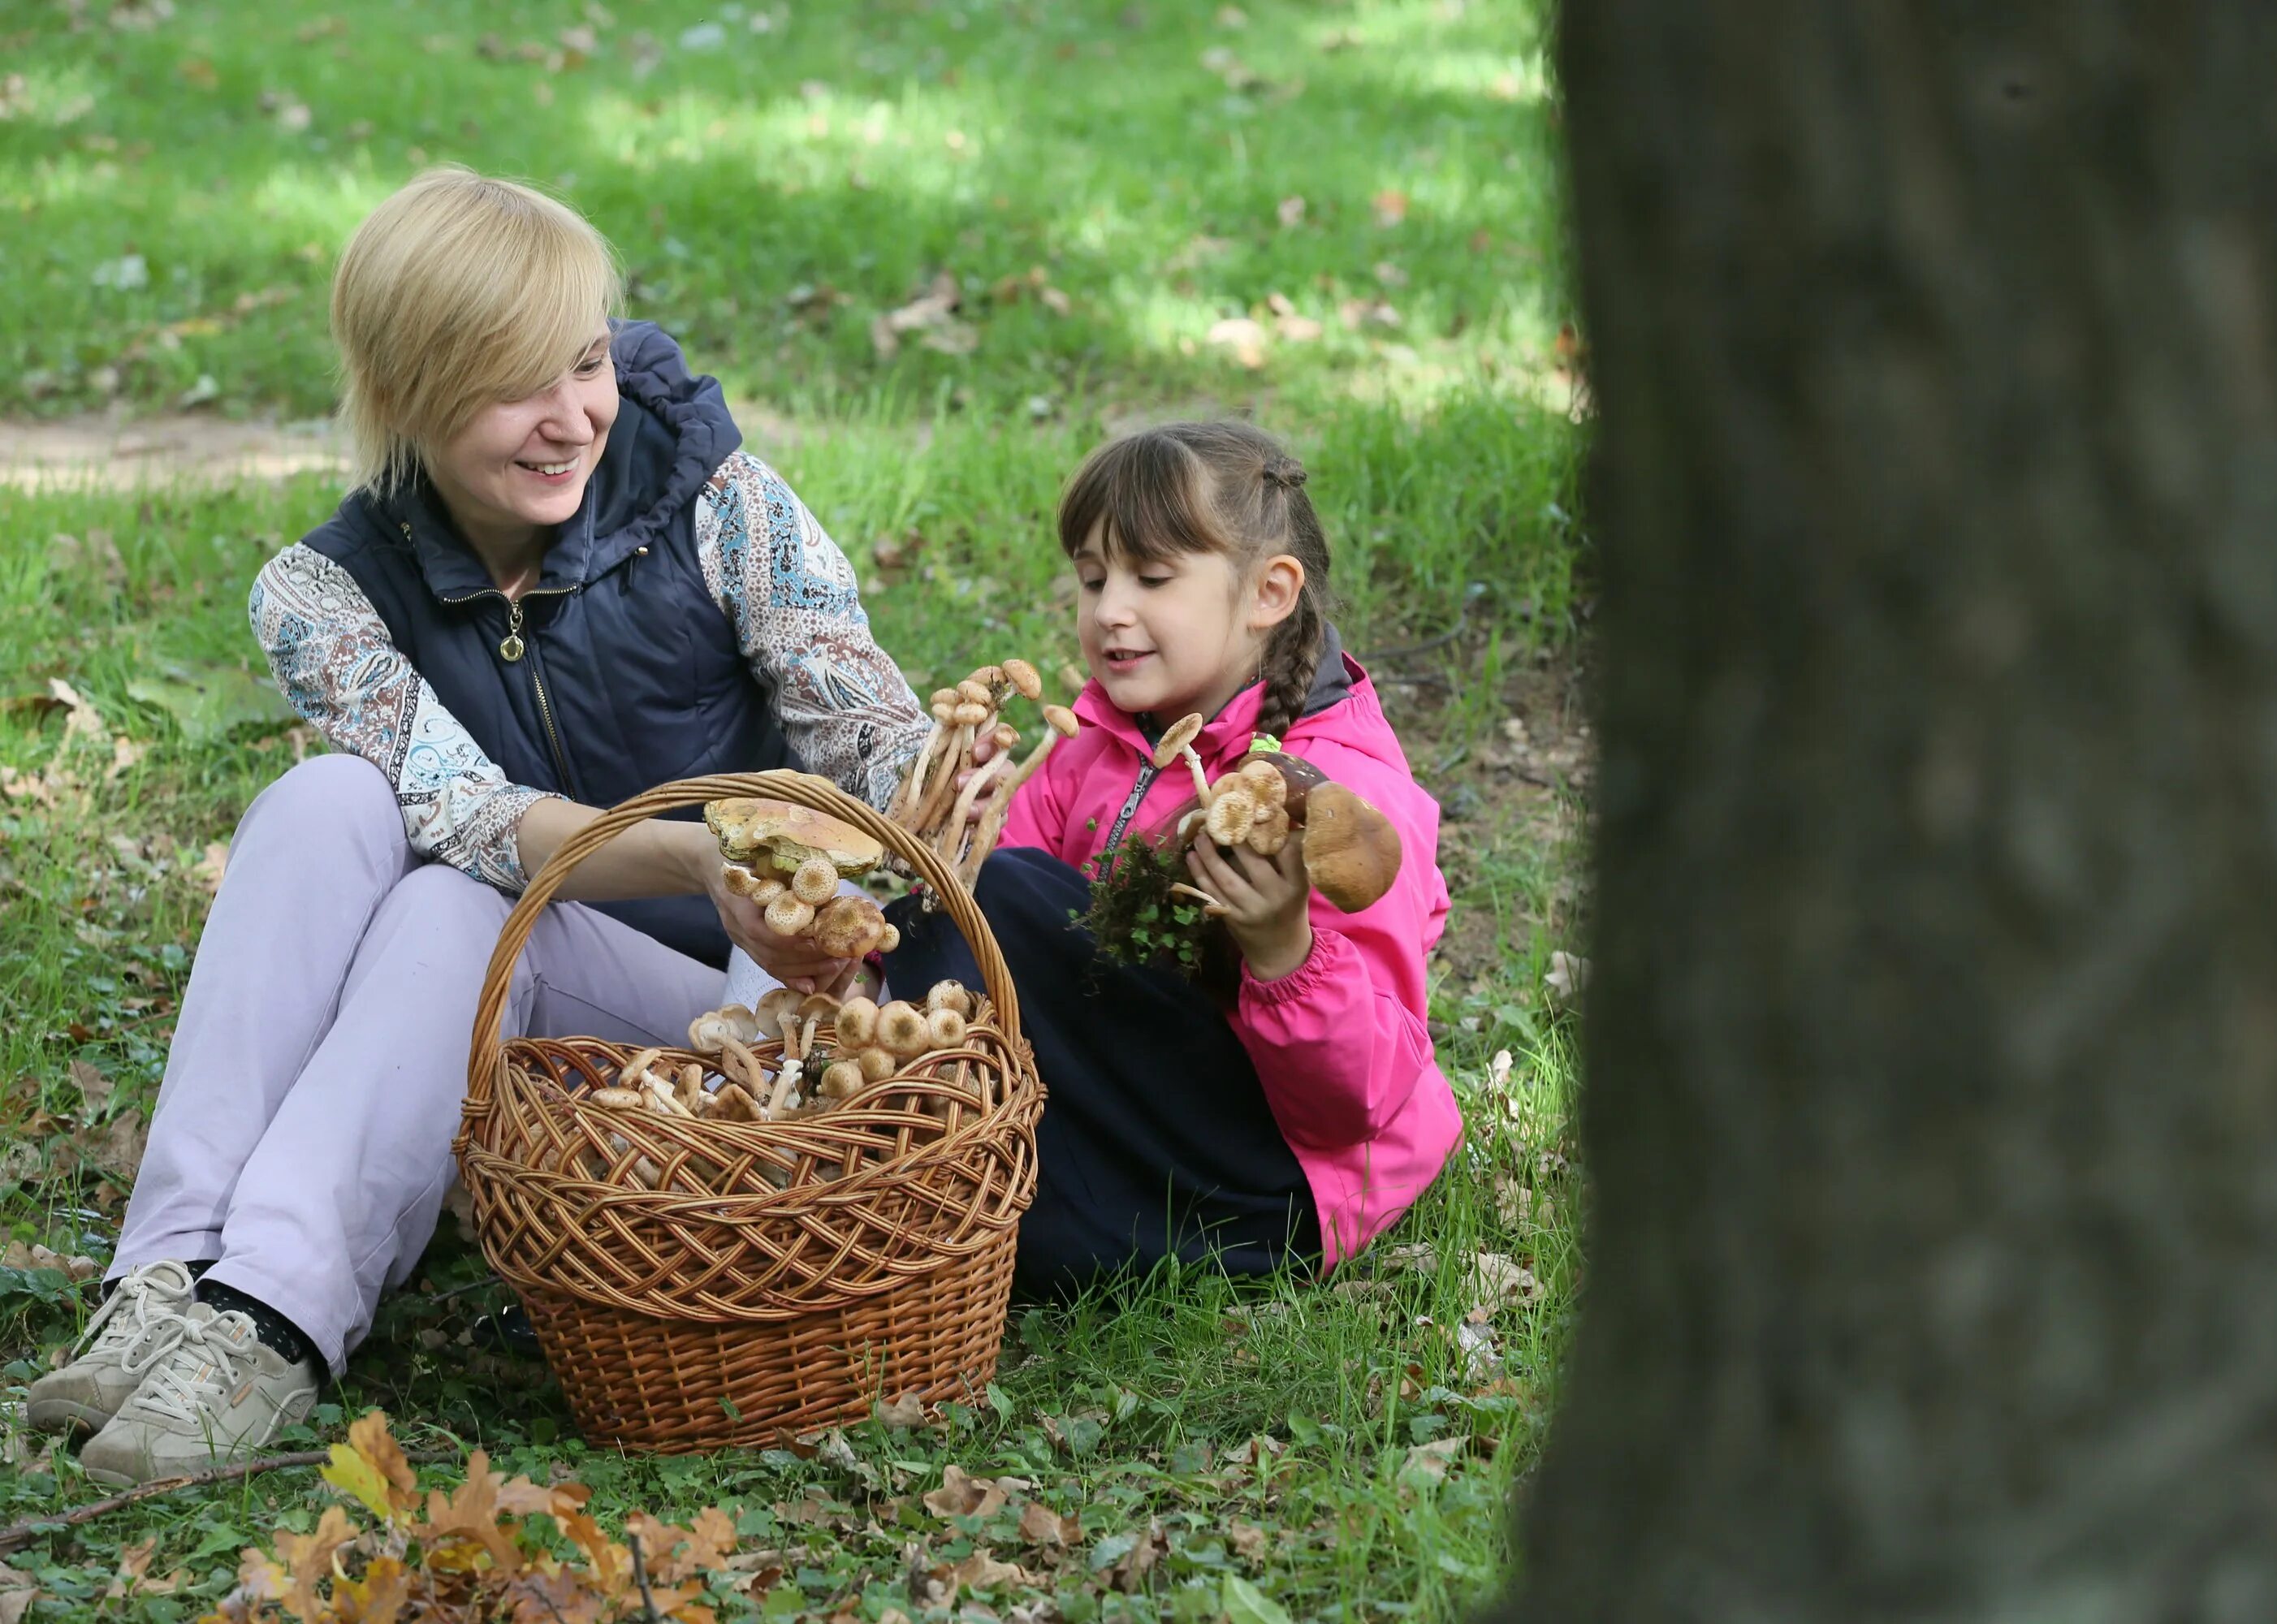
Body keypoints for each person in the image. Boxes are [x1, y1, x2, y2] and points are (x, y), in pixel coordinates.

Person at [25, 168, 927, 1486]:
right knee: (330, 801)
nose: (572, 421)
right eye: (517, 388)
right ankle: (169, 1271)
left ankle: (274, 1312)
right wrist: (692, 848)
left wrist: (798, 907)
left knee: (455, 902)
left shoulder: (716, 504)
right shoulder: (326, 594)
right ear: (410, 396)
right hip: (511, 980)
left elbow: (884, 753)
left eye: (585, 366)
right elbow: (477, 812)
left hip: (734, 1025)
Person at [884, 421, 1461, 1296]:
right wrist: (962, 833)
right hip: (1135, 1105)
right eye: (1091, 577)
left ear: (1269, 592)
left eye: (1152, 578)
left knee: (999, 895)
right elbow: (1014, 947)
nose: (1111, 607)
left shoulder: (1334, 794)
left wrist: (1283, 953)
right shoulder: (1097, 741)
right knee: (964, 899)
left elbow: (1361, 1103)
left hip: (1270, 1177)